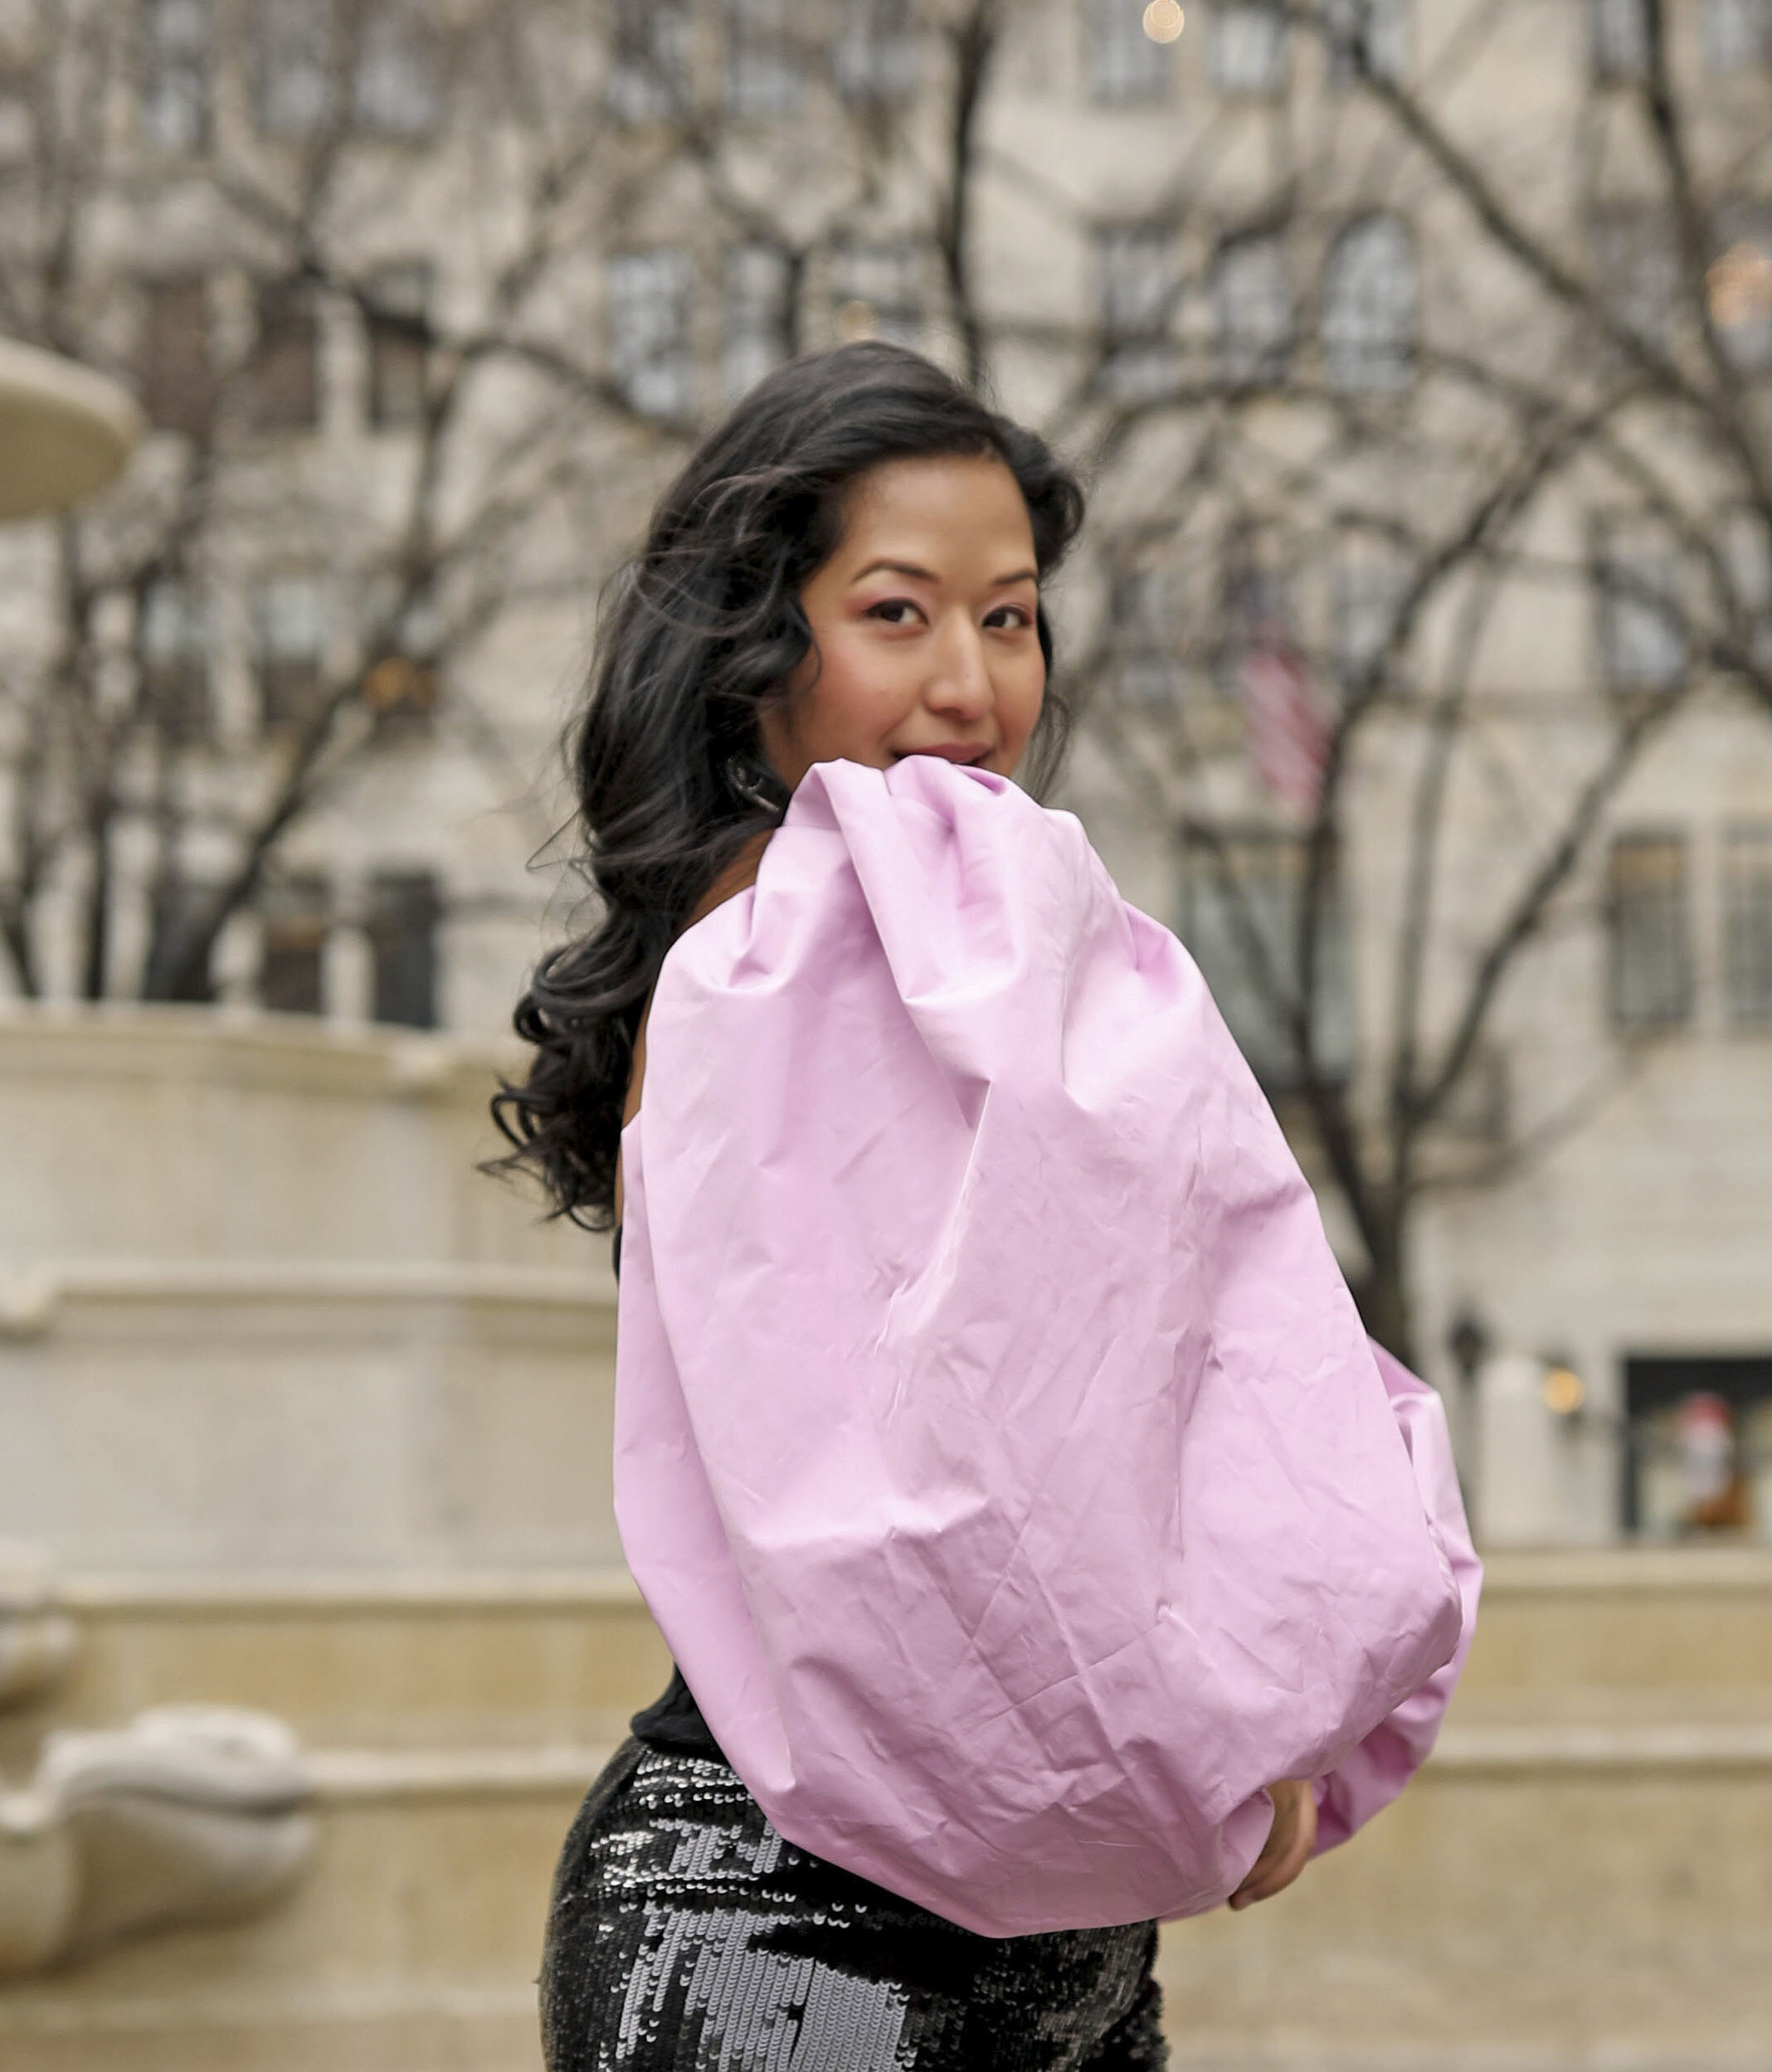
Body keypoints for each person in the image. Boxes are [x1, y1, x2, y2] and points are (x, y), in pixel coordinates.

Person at [495, 344, 1471, 2071]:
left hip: (1029, 1942)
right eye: (897, 614)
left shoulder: (928, 945)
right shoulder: (785, 944)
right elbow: (934, 1535)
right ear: (755, 654)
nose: (970, 682)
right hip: (790, 1947)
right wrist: (1200, 1793)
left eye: (1009, 618)